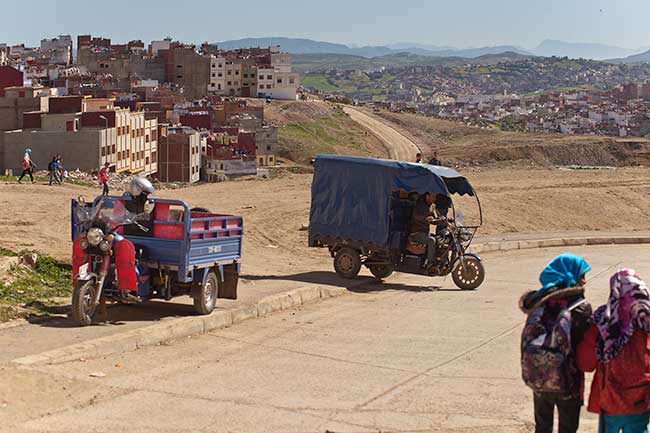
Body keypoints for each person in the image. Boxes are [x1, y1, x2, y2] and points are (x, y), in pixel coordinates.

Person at [520, 253, 593, 433]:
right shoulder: (580, 307)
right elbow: (585, 345)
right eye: (582, 275)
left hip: (540, 376)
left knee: (542, 427)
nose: (584, 281)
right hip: (569, 380)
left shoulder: (539, 303)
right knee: (568, 428)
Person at [577, 268, 650, 433]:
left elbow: (586, 363)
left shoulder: (604, 321)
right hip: (641, 401)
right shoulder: (646, 322)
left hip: (611, 401)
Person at [409, 192, 447, 269]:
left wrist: (445, 220)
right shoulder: (419, 205)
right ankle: (430, 264)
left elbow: (435, 219)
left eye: (435, 197)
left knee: (439, 239)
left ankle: (439, 261)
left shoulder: (431, 206)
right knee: (431, 240)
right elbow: (416, 216)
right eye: (433, 196)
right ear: (427, 196)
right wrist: (425, 218)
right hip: (416, 233)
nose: (435, 199)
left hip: (424, 233)